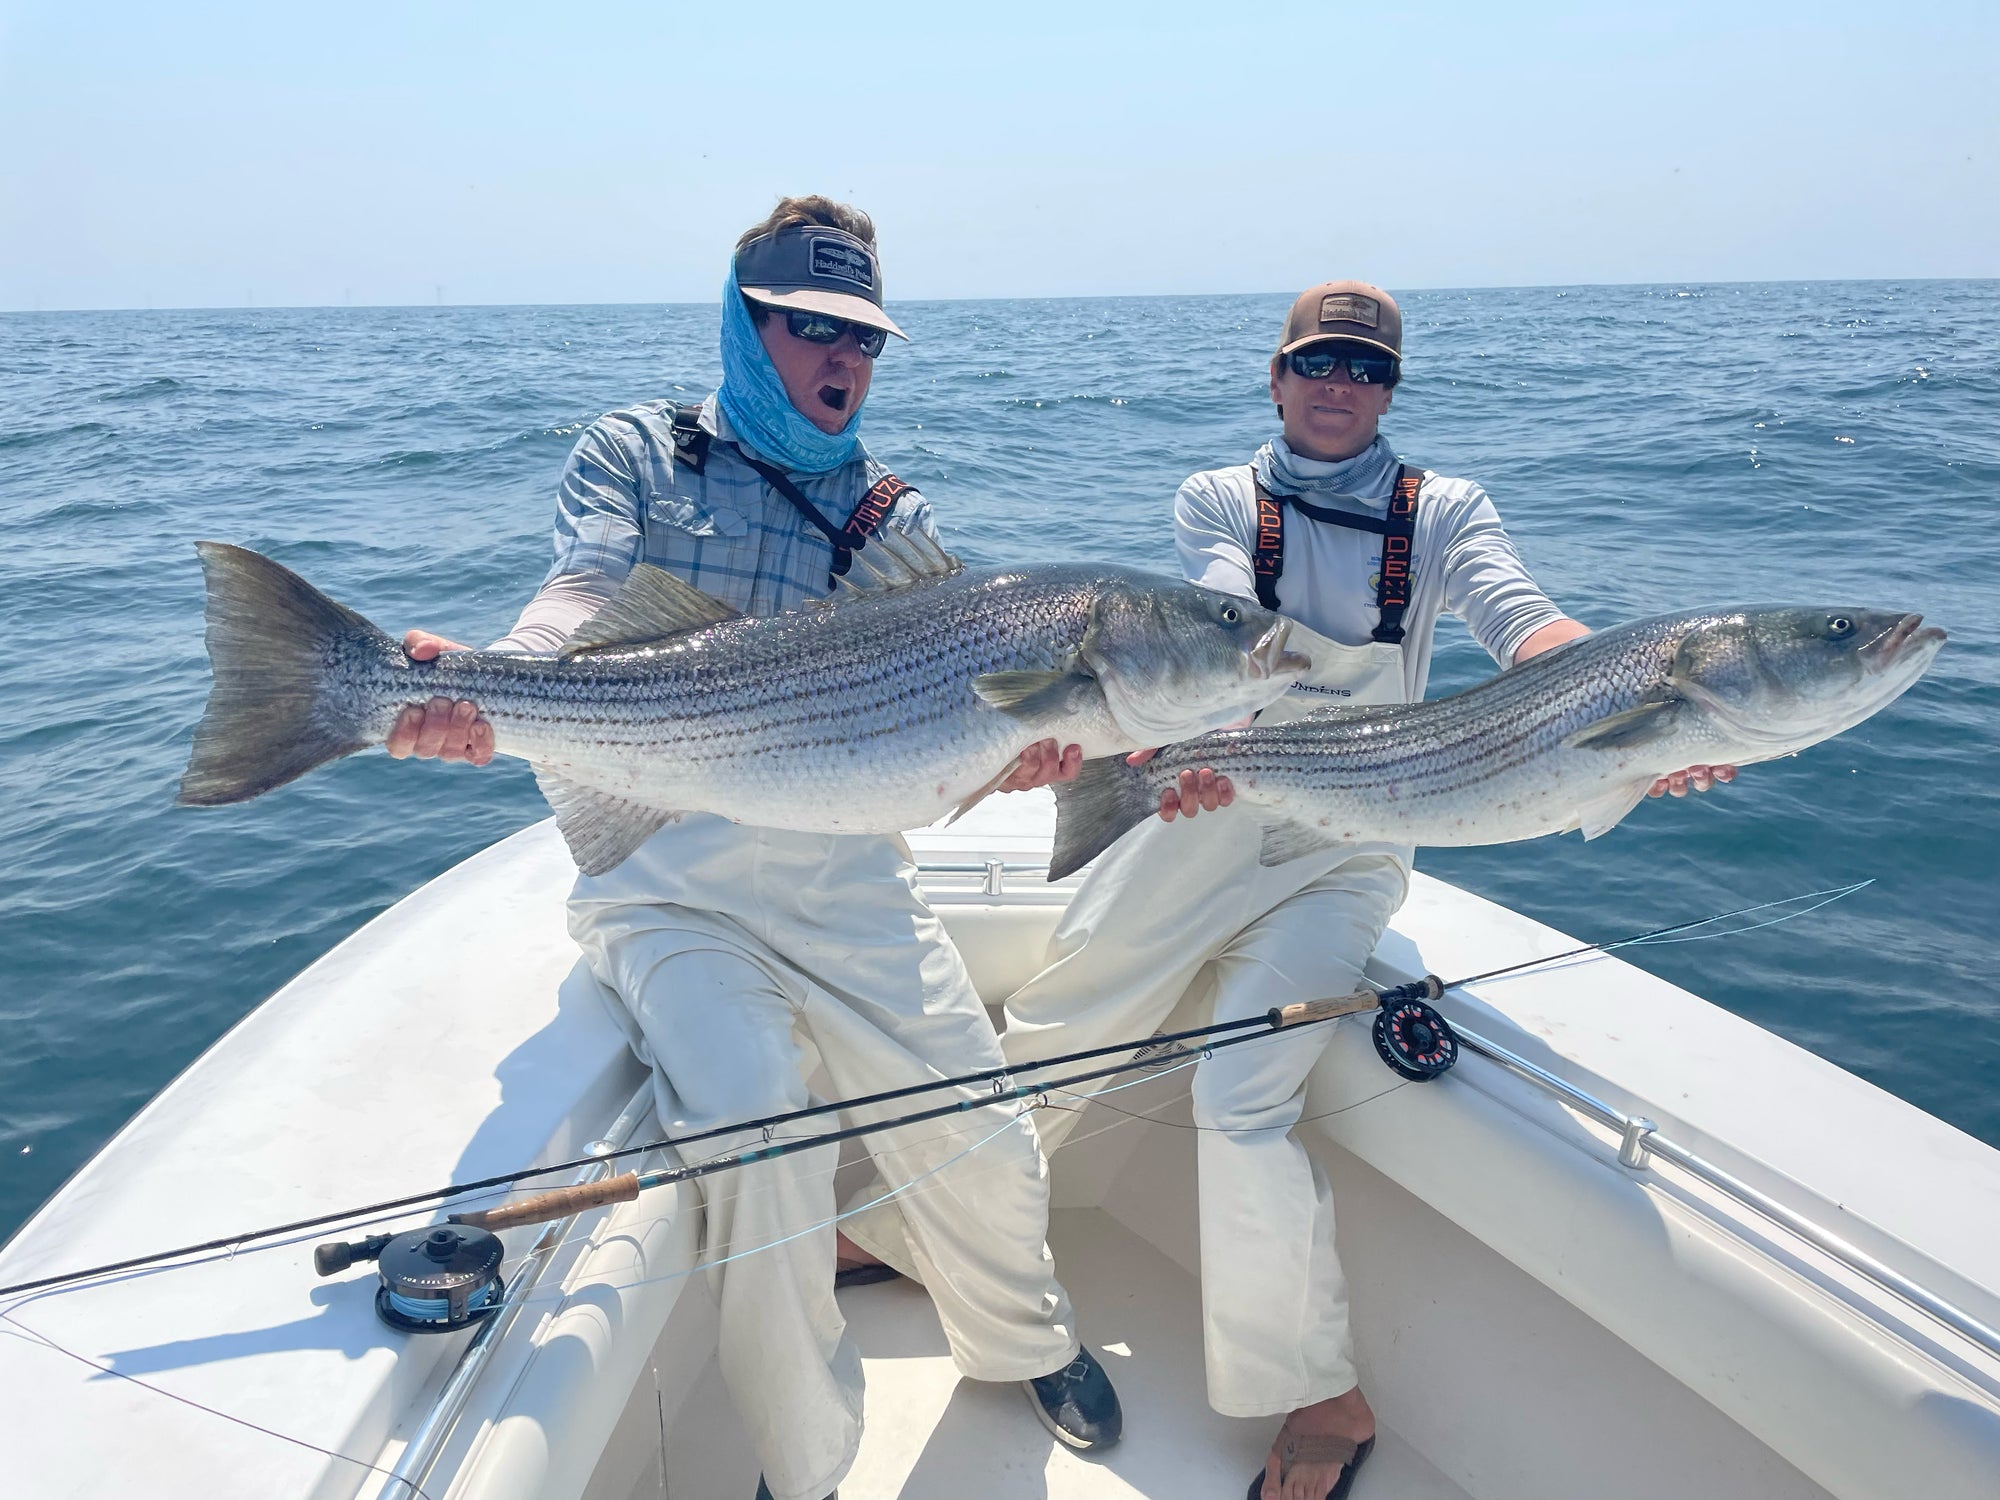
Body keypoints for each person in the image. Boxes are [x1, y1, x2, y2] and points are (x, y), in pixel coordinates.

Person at [386, 196, 1121, 1500]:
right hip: (667, 886)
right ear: (744, 322)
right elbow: (581, 592)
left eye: (865, 340)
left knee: (990, 1138)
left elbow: (928, 750)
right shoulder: (640, 451)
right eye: (809, 329)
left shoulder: (900, 524)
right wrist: (498, 685)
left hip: (843, 878)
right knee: (758, 1139)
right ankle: (805, 1463)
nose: (843, 361)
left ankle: (1027, 1341)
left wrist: (1028, 757)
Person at [1000, 281, 1731, 1500]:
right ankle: (933, 1239)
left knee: (1242, 1092)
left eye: (1365, 367)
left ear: (1389, 389)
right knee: (1065, 1019)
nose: (1339, 384)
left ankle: (1316, 1387)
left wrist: (1637, 717)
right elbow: (1224, 613)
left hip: (1353, 838)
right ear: (1276, 377)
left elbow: (1525, 624)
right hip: (1210, 809)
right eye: (1317, 361)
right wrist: (1202, 746)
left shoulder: (1443, 512)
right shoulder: (1215, 500)